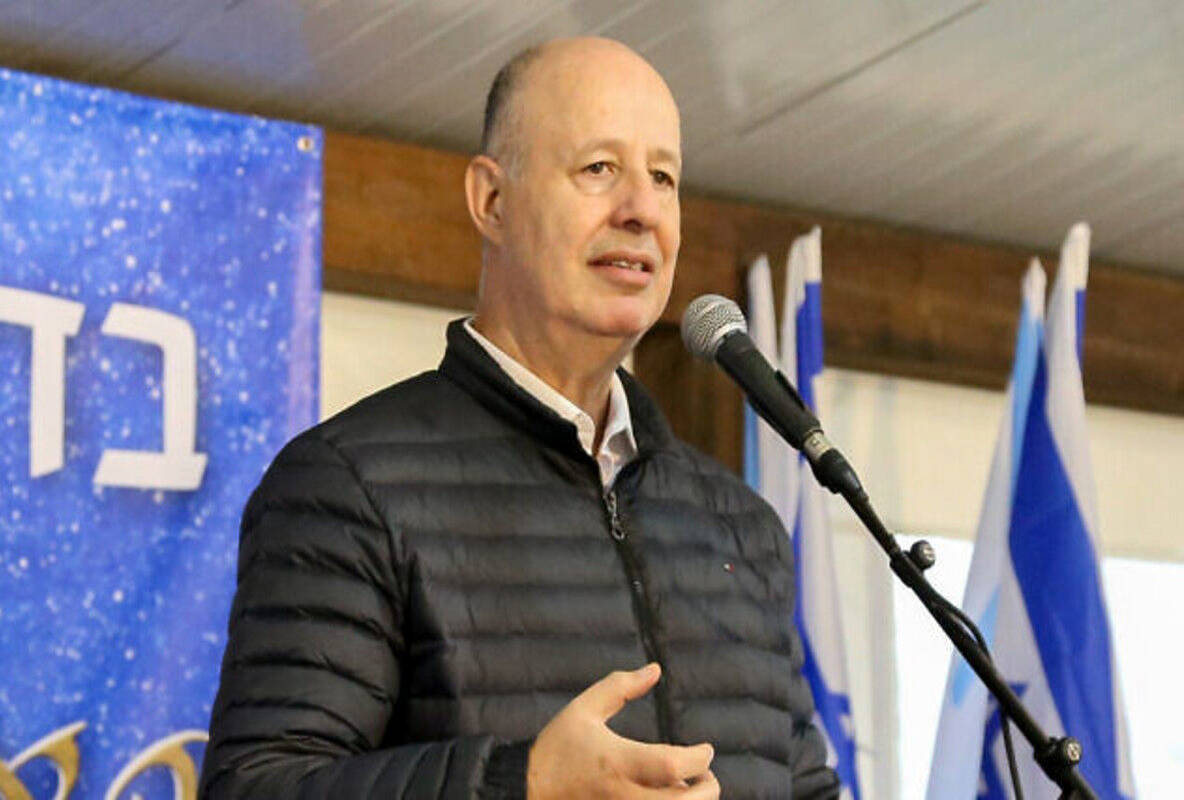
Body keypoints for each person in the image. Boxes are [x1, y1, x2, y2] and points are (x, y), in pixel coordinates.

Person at [200, 37, 840, 799]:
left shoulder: (741, 527)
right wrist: (520, 782)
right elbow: (256, 788)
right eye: (599, 168)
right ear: (492, 201)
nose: (641, 210)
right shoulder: (346, 486)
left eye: (663, 177)